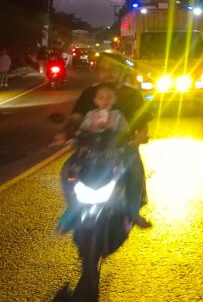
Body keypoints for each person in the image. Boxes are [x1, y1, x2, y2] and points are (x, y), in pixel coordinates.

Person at [53, 53, 151, 228]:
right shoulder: (89, 92)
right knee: (68, 170)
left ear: (122, 72)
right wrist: (65, 133)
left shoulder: (132, 94)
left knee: (135, 171)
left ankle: (133, 211)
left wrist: (141, 135)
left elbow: (143, 121)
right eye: (104, 69)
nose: (108, 73)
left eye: (113, 69)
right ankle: (72, 208)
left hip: (123, 146)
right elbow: (76, 117)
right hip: (91, 146)